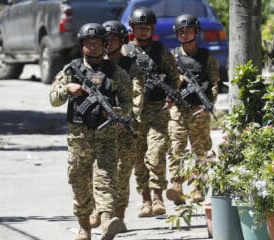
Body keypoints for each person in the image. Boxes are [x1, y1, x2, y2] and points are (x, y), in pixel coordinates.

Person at [49, 23, 132, 240]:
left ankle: (106, 222)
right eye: (89, 43)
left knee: (105, 178)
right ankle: (84, 227)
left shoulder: (116, 72)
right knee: (79, 181)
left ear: (105, 45)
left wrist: (117, 111)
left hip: (105, 136)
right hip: (79, 137)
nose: (93, 47)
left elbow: (128, 101)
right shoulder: (71, 69)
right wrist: (67, 89)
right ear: (82, 44)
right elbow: (53, 99)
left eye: (98, 43)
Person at [123, 7, 180, 217]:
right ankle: (145, 200)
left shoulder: (160, 51)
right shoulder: (125, 52)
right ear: (133, 28)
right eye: (139, 27)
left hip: (157, 109)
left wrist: (171, 96)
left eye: (147, 28)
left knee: (155, 154)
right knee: (139, 158)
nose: (143, 31)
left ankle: (158, 197)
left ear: (152, 28)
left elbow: (174, 76)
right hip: (134, 113)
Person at [89, 20, 145, 232]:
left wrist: (127, 117)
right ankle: (101, 210)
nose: (109, 43)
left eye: (114, 39)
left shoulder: (132, 66)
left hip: (125, 128)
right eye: (107, 39)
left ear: (122, 41)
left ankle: (117, 216)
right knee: (99, 171)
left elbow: (138, 96)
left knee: (122, 173)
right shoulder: (96, 64)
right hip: (100, 128)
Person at [166, 14, 219, 205]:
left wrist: (207, 106)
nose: (184, 33)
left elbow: (213, 84)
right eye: (180, 31)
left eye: (187, 30)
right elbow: (163, 82)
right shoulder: (172, 56)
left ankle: (198, 186)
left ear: (196, 32)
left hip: (199, 109)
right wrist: (175, 82)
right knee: (175, 147)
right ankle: (177, 185)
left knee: (200, 148)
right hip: (178, 109)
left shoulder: (206, 57)